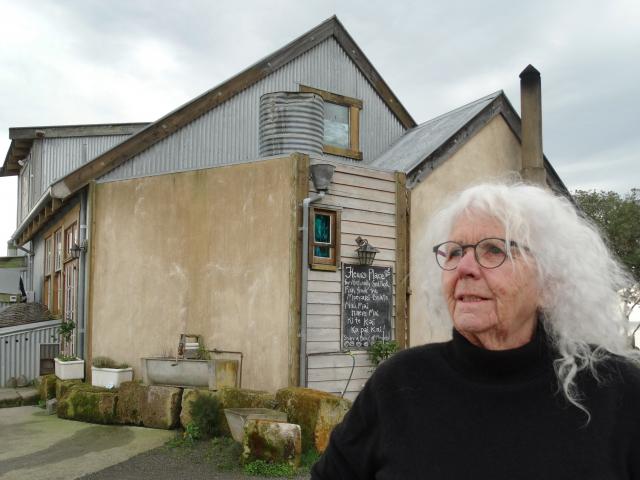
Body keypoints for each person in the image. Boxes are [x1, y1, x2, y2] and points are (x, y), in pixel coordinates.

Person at [312, 182, 640, 479]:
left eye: (494, 250)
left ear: (549, 284)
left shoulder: (617, 393)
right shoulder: (397, 385)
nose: (465, 268)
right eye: (454, 252)